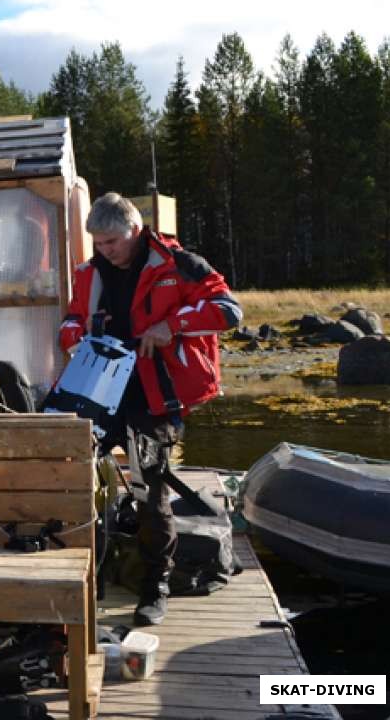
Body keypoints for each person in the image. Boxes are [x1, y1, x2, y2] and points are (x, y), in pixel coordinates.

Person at [59, 192, 242, 626]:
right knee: (73, 478)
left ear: (135, 230)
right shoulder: (88, 274)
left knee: (149, 492)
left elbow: (228, 310)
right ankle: (77, 576)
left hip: (153, 396)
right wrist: (76, 339)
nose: (106, 251)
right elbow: (70, 319)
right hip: (101, 393)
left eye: (112, 242)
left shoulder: (178, 264)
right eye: (99, 244)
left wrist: (171, 326)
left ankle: (155, 584)